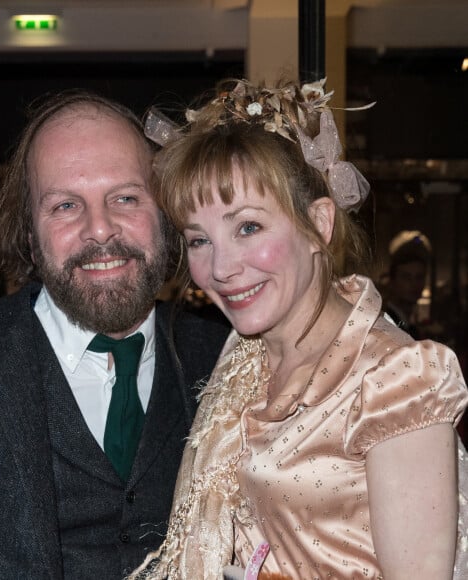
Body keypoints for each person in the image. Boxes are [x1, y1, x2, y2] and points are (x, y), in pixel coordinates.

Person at [131, 77, 468, 579]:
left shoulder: (395, 379)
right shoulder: (242, 358)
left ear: (320, 226)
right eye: (199, 240)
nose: (220, 268)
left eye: (248, 227)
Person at [0, 91, 230, 578]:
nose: (101, 230)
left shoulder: (227, 359)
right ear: (29, 231)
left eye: (126, 198)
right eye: (67, 205)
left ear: (167, 216)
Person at [382, 230, 432, 339]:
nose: (414, 284)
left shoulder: (408, 326)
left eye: (419, 277)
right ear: (392, 281)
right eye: (406, 277)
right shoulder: (387, 324)